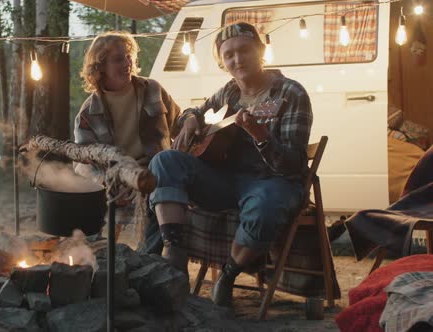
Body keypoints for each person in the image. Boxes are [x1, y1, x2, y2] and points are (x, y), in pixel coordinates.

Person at [148, 22, 313, 307]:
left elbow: (292, 164)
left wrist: (259, 134)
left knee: (267, 205)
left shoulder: (290, 93)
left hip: (271, 180)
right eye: (229, 55)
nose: (238, 59)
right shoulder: (228, 94)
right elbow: (194, 111)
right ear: (222, 62)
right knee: (165, 160)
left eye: (245, 50)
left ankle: (228, 273)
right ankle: (174, 253)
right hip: (226, 180)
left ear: (260, 51)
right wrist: (189, 119)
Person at [73, 31, 181, 245]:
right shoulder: (87, 113)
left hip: (156, 174)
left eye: (129, 56)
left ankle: (150, 262)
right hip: (118, 182)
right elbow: (82, 164)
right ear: (100, 67)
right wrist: (105, 182)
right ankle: (113, 265)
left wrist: (192, 122)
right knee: (96, 232)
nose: (127, 63)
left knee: (162, 202)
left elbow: (179, 122)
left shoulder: (153, 89)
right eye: (118, 59)